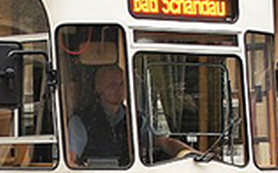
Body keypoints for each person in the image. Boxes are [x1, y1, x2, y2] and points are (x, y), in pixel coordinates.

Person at [67, 64, 197, 167]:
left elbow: (163, 142)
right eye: (112, 84)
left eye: (122, 84)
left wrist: (191, 154)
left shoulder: (137, 119)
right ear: (98, 88)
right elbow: (71, 160)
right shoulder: (81, 121)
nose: (119, 89)